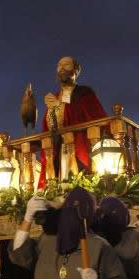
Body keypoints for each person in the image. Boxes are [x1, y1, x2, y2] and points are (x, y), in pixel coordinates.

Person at [37, 56, 108, 188]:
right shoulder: (56, 95)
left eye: (67, 65)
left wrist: (57, 105)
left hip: (79, 146)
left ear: (76, 70)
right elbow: (52, 126)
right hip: (60, 148)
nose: (62, 68)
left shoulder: (84, 93)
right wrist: (51, 110)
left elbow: (91, 117)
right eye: (59, 65)